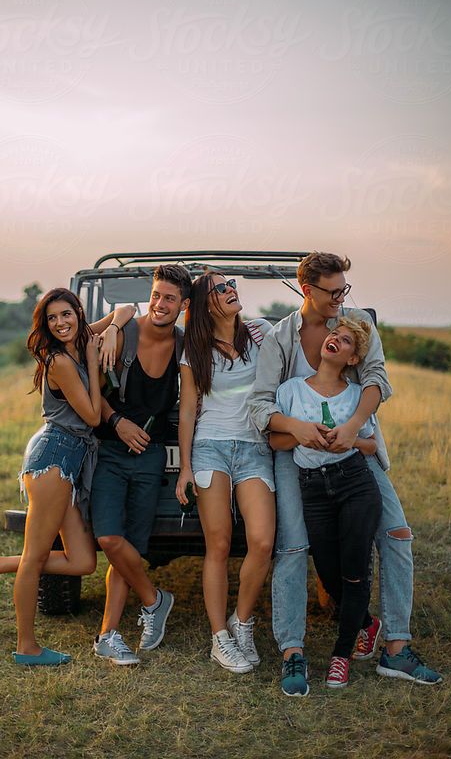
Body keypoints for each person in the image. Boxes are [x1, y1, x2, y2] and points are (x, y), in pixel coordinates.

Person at [249, 251, 443, 695]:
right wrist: (297, 428)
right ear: (306, 289)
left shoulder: (357, 326)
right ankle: (293, 652)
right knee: (294, 544)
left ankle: (396, 649)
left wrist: (352, 427)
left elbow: (377, 379)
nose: (340, 298)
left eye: (344, 290)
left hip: (354, 450)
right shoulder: (281, 338)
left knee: (397, 533)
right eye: (331, 291)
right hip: (295, 456)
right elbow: (261, 405)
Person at [0, 289, 134, 665]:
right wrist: (93, 359)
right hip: (53, 459)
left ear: (77, 312)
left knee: (83, 562)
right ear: (45, 324)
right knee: (34, 556)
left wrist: (113, 328)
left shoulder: (83, 334)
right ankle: (27, 647)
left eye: (66, 315)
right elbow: (91, 416)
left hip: (71, 462)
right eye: (52, 318)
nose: (60, 323)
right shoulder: (58, 360)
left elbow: (127, 307)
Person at [271, 317, 382, 688]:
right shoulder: (290, 391)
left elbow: (370, 445)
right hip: (312, 489)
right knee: (328, 571)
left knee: (354, 571)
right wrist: (302, 435)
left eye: (346, 341)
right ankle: (368, 622)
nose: (336, 339)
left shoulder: (355, 396)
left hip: (354, 484)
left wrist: (346, 439)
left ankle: (341, 655)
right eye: (335, 334)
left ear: (353, 359)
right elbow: (275, 442)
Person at [91, 264, 192, 666]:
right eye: (156, 295)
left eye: (170, 298)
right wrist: (117, 421)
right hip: (111, 451)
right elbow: (87, 393)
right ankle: (155, 599)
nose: (160, 304)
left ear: (183, 305)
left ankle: (108, 635)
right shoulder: (123, 333)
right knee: (108, 539)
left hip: (150, 454)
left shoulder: (185, 345)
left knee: (128, 548)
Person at [175, 272, 275, 674]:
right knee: (217, 544)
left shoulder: (261, 332)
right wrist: (184, 465)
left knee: (262, 540)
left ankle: (242, 621)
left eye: (231, 283)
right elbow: (187, 408)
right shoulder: (194, 348)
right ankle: (220, 638)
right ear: (205, 302)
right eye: (220, 287)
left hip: (253, 448)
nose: (231, 289)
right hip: (210, 447)